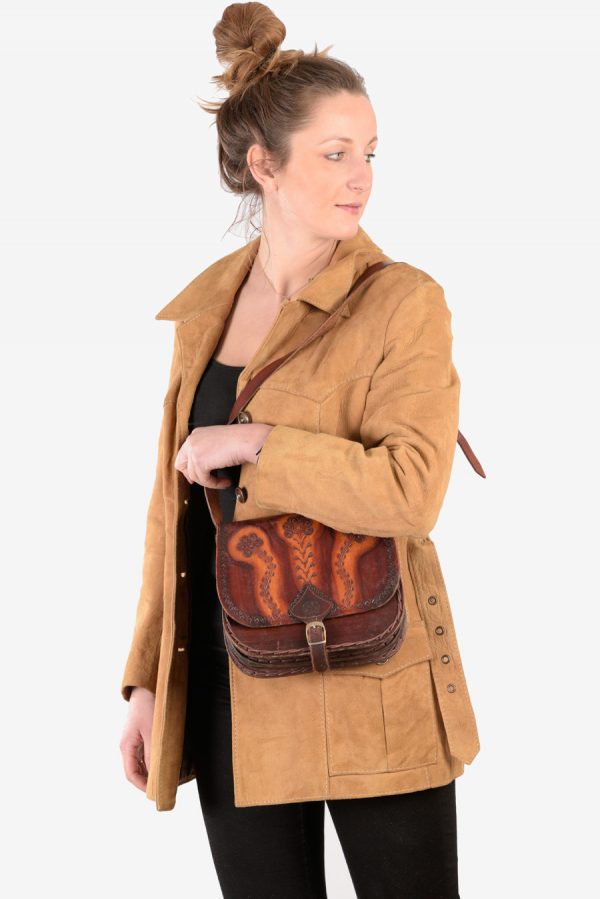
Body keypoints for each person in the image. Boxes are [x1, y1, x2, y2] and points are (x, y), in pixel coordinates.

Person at [119, 4, 482, 897]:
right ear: (264, 165)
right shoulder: (203, 312)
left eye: (371, 153)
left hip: (372, 680)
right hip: (234, 685)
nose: (362, 177)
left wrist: (259, 443)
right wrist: (147, 680)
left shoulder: (403, 303)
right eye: (335, 153)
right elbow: (175, 514)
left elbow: (411, 490)